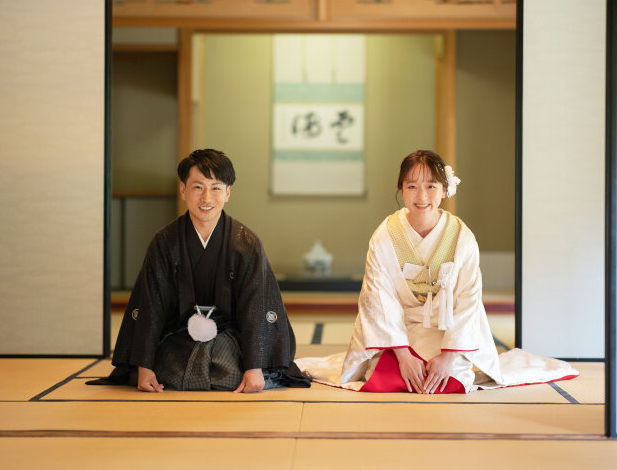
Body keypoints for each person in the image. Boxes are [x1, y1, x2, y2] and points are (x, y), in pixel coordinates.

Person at [296, 150, 577, 393]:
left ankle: (449, 361)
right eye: (412, 186)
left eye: (431, 186)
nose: (422, 196)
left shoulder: (461, 237)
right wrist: (403, 354)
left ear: (444, 190)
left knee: (452, 381)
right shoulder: (384, 236)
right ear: (401, 190)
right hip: (401, 334)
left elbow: (469, 299)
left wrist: (449, 355)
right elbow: (377, 299)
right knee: (385, 378)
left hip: (446, 333)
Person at [89, 149, 310, 392]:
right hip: (179, 335)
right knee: (167, 372)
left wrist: (255, 366)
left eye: (216, 188)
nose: (207, 197)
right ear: (183, 189)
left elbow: (256, 307)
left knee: (232, 373)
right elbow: (151, 304)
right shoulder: (165, 242)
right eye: (197, 187)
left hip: (232, 337)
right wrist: (144, 365)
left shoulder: (245, 243)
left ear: (227, 193)